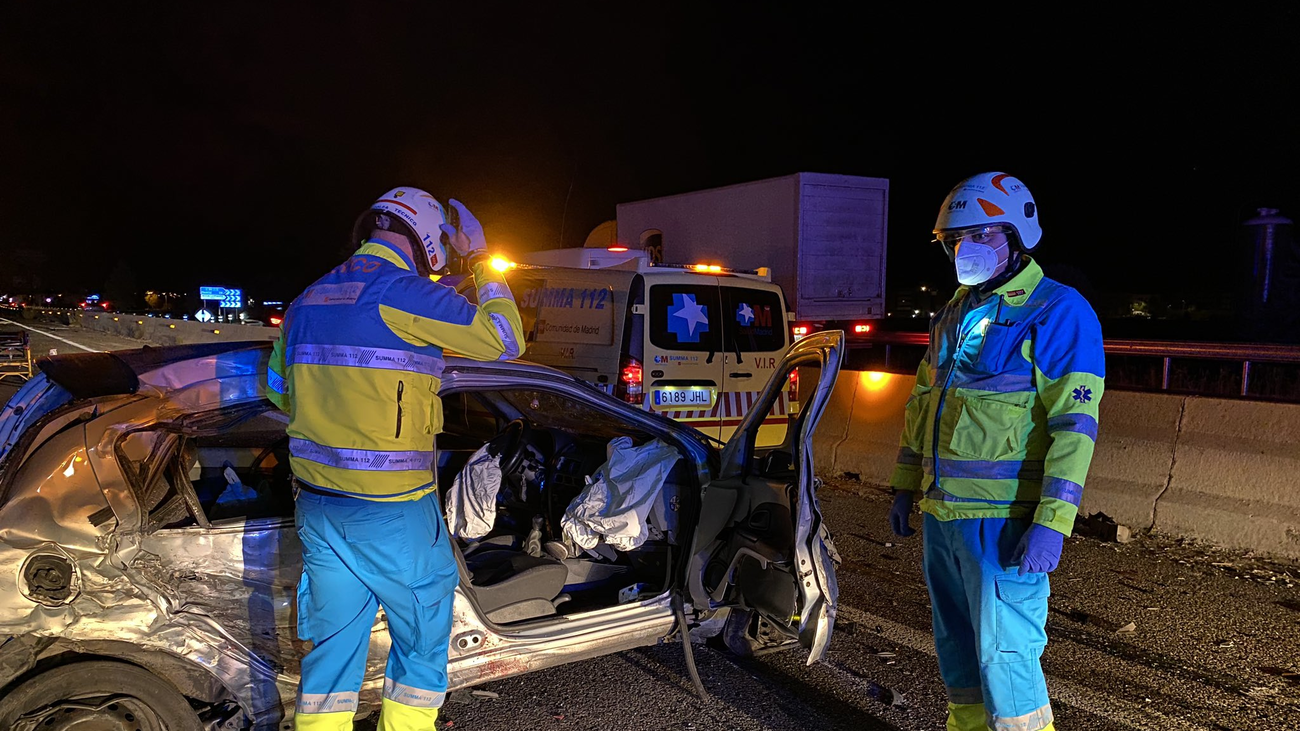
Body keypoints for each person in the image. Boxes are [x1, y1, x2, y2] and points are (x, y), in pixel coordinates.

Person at [266, 187, 525, 731]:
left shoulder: (307, 300)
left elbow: (278, 392)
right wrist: (482, 260)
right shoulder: (404, 292)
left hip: (319, 509)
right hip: (393, 512)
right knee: (421, 646)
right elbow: (504, 339)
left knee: (332, 655)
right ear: (429, 239)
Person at [887, 172, 1104, 731]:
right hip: (943, 516)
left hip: (1003, 520)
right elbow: (923, 404)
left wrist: (1052, 523)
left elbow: (1075, 427)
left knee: (1006, 657)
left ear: (1017, 234)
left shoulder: (1058, 310)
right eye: (954, 240)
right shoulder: (954, 312)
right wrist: (905, 486)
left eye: (980, 234)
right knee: (956, 648)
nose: (966, 249)